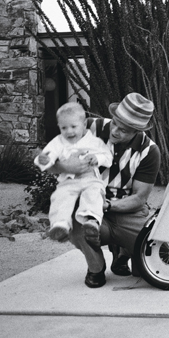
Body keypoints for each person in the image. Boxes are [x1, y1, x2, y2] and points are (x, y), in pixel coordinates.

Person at [49, 92, 161, 288]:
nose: (115, 131)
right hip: (92, 206)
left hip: (128, 211)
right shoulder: (92, 127)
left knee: (146, 268)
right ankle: (96, 267)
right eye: (115, 123)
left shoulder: (149, 151)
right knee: (76, 221)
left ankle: (123, 252)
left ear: (137, 131)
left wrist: (107, 205)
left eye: (124, 130)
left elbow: (139, 198)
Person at [34, 102, 113, 243]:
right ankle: (61, 225)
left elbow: (108, 157)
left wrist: (98, 158)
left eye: (73, 127)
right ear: (59, 127)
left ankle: (91, 220)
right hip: (69, 181)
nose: (69, 132)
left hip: (90, 179)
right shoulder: (58, 142)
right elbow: (48, 155)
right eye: (64, 128)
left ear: (84, 124)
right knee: (60, 196)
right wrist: (43, 160)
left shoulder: (94, 142)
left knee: (94, 193)